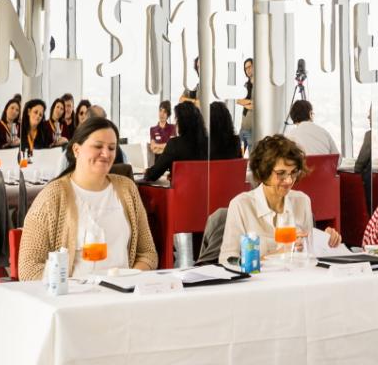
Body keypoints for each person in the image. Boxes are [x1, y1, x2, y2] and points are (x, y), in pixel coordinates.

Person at [18, 116, 157, 282]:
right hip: (73, 294)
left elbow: (147, 253)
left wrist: (128, 280)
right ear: (76, 150)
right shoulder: (53, 196)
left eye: (112, 148)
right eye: (98, 146)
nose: (106, 154)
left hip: (122, 292)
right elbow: (29, 269)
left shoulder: (127, 189)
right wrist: (71, 287)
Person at [219, 134, 342, 266]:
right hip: (255, 279)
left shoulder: (302, 201)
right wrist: (279, 254)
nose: (289, 180)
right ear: (264, 172)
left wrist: (324, 240)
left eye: (293, 172)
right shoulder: (241, 205)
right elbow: (227, 261)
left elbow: (308, 255)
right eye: (281, 173)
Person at [143, 101, 207, 182]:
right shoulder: (208, 143)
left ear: (182, 122)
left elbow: (153, 175)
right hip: (203, 188)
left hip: (180, 189)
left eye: (177, 119)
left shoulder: (175, 144)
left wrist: (147, 172)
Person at [235, 59, 254, 152]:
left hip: (252, 129)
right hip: (243, 127)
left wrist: (245, 102)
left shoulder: (260, 85)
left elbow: (255, 105)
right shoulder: (246, 85)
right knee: (237, 154)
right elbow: (237, 100)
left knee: (252, 157)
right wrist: (249, 102)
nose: (248, 70)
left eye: (249, 67)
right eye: (246, 68)